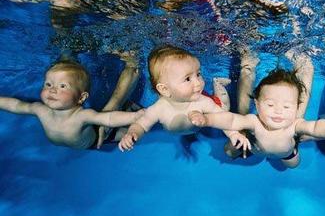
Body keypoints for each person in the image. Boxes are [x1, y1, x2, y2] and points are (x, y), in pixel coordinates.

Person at [188, 51, 325, 168]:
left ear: (294, 108)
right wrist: (206, 120)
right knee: (229, 151)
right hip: (254, 146)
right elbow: (230, 120)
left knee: (293, 164)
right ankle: (250, 65)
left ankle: (304, 66)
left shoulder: (294, 124)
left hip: (288, 150)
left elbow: (317, 127)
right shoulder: (253, 121)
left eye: (286, 107)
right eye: (270, 105)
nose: (278, 111)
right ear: (258, 105)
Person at [118, 46, 249, 152]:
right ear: (164, 89)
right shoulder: (159, 109)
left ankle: (218, 85)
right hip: (188, 120)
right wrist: (132, 134)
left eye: (198, 74)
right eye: (188, 78)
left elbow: (223, 118)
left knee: (223, 106)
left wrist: (233, 134)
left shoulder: (203, 101)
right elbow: (141, 125)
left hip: (201, 109)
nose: (199, 82)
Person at [0, 60, 144, 149]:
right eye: (48, 84)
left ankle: (133, 107)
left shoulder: (82, 116)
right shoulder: (40, 110)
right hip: (81, 144)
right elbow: (16, 105)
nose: (53, 89)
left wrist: (134, 117)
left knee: (134, 135)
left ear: (81, 97)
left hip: (96, 141)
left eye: (62, 86)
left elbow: (109, 119)